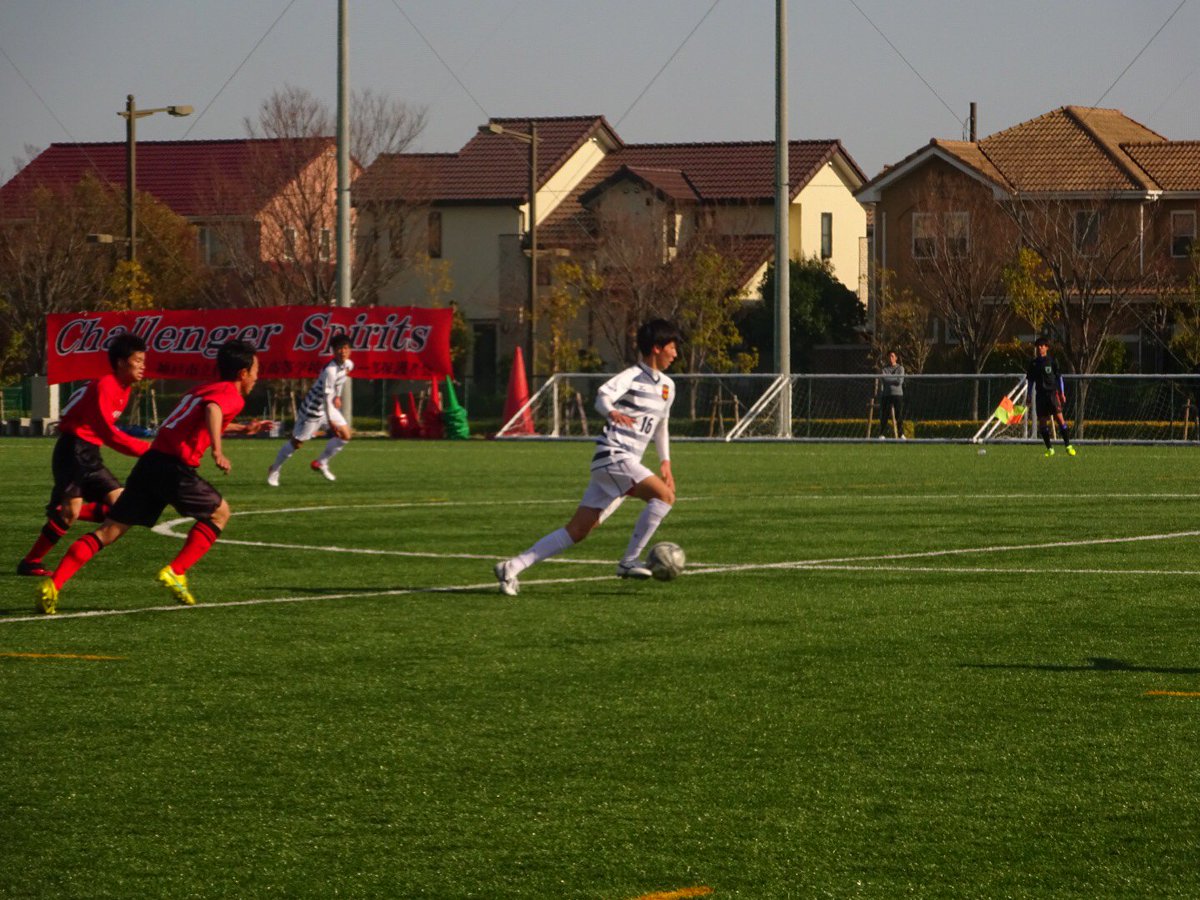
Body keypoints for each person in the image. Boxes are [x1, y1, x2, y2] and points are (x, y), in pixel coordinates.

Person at [36, 340, 260, 615]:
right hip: (173, 467)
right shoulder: (230, 395)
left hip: (150, 464)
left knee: (108, 531)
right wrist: (217, 449)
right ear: (243, 373)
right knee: (220, 513)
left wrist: (242, 428)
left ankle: (53, 585)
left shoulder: (203, 388)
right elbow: (213, 409)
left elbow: (204, 414)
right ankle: (176, 571)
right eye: (256, 371)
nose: (257, 378)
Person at [494, 319, 680, 596]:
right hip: (614, 455)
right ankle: (629, 561)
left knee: (578, 530)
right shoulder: (632, 376)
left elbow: (661, 426)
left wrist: (665, 462)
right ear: (656, 348)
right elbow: (602, 396)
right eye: (672, 347)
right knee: (664, 497)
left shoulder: (668, 386)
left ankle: (512, 566)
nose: (675, 354)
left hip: (620, 463)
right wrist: (611, 412)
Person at [17, 333, 152, 577]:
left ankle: (61, 512)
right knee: (71, 513)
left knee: (121, 506)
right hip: (73, 450)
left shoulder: (124, 388)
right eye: (139, 360)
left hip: (90, 453)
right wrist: (148, 450)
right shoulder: (105, 385)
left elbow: (104, 433)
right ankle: (31, 561)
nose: (143, 366)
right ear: (122, 362)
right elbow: (108, 433)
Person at [267, 333, 354, 485]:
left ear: (350, 350)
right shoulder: (330, 371)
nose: (343, 351)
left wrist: (338, 396)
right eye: (339, 348)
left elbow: (340, 383)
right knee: (297, 443)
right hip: (313, 408)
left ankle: (321, 462)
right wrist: (331, 422)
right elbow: (326, 398)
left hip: (329, 407)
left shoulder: (348, 364)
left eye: (346, 348)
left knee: (346, 435)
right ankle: (274, 468)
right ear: (333, 351)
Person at [1026, 336, 1076, 457]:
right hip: (1040, 396)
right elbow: (1031, 381)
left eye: (1042, 345)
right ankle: (1049, 449)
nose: (1039, 348)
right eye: (1038, 346)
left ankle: (1068, 446)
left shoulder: (1052, 361)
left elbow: (1059, 378)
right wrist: (1028, 395)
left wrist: (1062, 393)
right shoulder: (1033, 364)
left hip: (1052, 395)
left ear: (1046, 348)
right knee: (1042, 423)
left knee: (1060, 419)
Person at [878, 350, 906, 439]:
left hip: (898, 395)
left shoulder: (900, 368)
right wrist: (894, 378)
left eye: (892, 356)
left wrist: (889, 378)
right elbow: (884, 380)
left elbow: (899, 381)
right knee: (884, 415)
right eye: (889, 356)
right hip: (886, 395)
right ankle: (882, 434)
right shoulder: (884, 369)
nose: (890, 358)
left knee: (899, 415)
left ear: (896, 358)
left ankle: (901, 434)